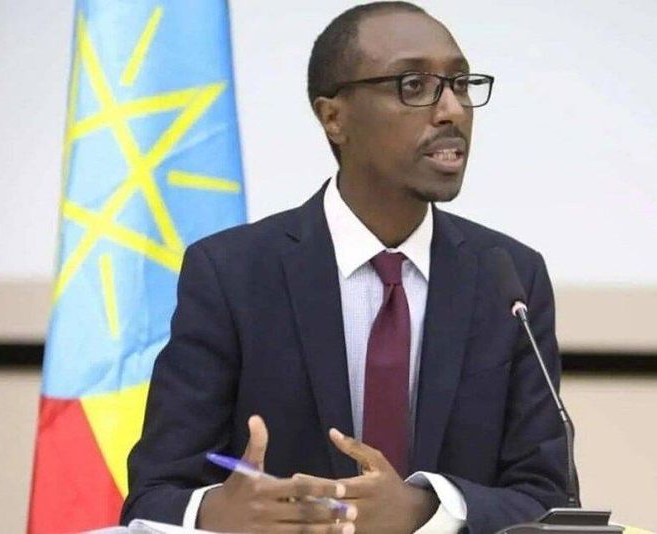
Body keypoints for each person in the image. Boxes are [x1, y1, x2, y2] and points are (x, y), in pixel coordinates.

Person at [121, 2, 569, 532]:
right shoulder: (232, 274)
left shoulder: (509, 277)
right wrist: (218, 510)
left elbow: (551, 501)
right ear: (334, 118)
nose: (452, 110)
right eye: (414, 85)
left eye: (460, 84)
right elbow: (153, 497)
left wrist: (426, 509)